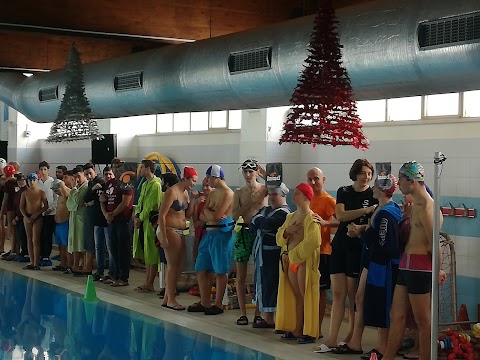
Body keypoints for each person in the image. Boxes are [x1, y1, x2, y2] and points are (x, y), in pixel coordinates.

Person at [333, 174, 402, 358]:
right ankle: (355, 342)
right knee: (360, 299)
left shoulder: (389, 213)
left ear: (383, 190)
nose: (372, 188)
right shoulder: (379, 208)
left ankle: (382, 347)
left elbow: (383, 244)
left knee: (382, 303)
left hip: (381, 265)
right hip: (370, 261)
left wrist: (361, 234)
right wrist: (362, 231)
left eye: (376, 186)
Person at [383, 161, 444, 360]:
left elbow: (435, 243)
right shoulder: (415, 205)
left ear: (411, 180)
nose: (398, 183)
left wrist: (438, 270)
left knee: (423, 321)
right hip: (406, 264)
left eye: (400, 179)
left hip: (419, 268)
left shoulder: (427, 207)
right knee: (397, 316)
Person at [316, 158, 378, 353]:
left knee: (353, 296)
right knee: (337, 294)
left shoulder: (373, 194)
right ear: (355, 174)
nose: (366, 177)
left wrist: (359, 227)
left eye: (369, 173)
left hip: (357, 247)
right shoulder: (344, 191)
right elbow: (340, 216)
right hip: (341, 245)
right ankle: (332, 338)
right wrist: (366, 210)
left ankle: (351, 337)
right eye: (363, 173)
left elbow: (372, 224)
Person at [276, 183, 321, 344]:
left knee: (305, 296)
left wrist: (295, 255)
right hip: (291, 261)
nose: (293, 196)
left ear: (305, 197)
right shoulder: (291, 217)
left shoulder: (311, 217)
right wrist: (287, 232)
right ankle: (296, 329)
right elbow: (280, 235)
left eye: (296, 193)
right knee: (296, 296)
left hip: (302, 262)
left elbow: (314, 240)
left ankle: (307, 331)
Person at [188, 165, 234, 315]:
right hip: (209, 234)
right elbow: (202, 215)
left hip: (222, 235)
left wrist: (209, 213)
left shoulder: (228, 194)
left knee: (220, 271)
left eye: (208, 178)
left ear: (215, 177)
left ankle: (219, 304)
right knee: (200, 268)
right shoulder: (213, 194)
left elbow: (214, 216)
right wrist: (210, 213)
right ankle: (205, 302)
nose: (207, 181)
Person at [249, 183, 290, 328]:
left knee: (272, 284)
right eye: (270, 195)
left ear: (283, 195)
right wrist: (260, 222)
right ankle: (266, 317)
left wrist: (259, 222)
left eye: (275, 195)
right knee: (263, 284)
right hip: (263, 254)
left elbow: (266, 224)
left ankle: (271, 318)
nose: (272, 198)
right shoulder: (266, 210)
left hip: (273, 255)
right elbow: (252, 224)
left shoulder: (284, 213)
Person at [232, 159, 267, 325]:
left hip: (259, 233)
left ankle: (258, 313)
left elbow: (281, 187)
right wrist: (250, 202)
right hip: (243, 232)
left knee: (259, 274)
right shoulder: (238, 192)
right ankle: (243, 313)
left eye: (250, 171)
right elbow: (234, 215)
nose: (247, 175)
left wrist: (266, 175)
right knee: (241, 275)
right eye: (245, 172)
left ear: (256, 172)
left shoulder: (264, 189)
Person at [157, 166, 197, 310]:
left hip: (181, 231)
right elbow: (162, 214)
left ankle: (167, 298)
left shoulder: (185, 193)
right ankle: (171, 299)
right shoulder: (171, 192)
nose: (194, 184)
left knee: (179, 267)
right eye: (193, 181)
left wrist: (192, 200)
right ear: (185, 178)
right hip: (169, 229)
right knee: (173, 266)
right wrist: (163, 235)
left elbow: (187, 215)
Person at [307, 167, 338, 338]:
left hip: (323, 251)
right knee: (307, 290)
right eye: (310, 179)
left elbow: (341, 222)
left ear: (323, 179)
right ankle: (307, 325)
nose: (313, 182)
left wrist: (326, 223)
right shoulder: (308, 199)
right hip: (307, 252)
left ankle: (317, 329)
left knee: (320, 291)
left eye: (316, 179)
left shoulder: (329, 200)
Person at [101, 161, 134, 287]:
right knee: (113, 249)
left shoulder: (126, 181)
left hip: (122, 220)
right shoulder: (110, 183)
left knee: (123, 250)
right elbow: (102, 200)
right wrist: (106, 214)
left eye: (119, 167)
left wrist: (112, 214)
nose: (117, 169)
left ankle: (123, 277)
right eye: (115, 167)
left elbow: (126, 202)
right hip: (111, 220)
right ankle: (114, 274)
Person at [133, 159, 163, 293]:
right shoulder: (145, 184)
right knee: (146, 253)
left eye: (142, 168)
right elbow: (140, 203)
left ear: (148, 169)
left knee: (151, 253)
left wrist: (140, 218)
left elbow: (151, 206)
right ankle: (146, 282)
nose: (140, 170)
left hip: (150, 223)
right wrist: (136, 215)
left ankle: (150, 283)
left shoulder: (156, 185)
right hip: (143, 222)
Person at [83, 163, 108, 281]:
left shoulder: (102, 182)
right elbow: (86, 198)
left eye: (90, 173)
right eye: (86, 174)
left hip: (105, 219)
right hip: (96, 219)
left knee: (107, 247)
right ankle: (99, 271)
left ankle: (110, 272)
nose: (88, 176)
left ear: (95, 171)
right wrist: (92, 189)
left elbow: (103, 200)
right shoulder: (91, 184)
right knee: (98, 247)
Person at [20, 173, 48, 270]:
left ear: (37, 181)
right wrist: (26, 217)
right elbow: (21, 207)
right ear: (27, 181)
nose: (32, 182)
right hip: (27, 217)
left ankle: (36, 263)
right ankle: (31, 262)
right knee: (29, 239)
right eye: (30, 180)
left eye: (33, 180)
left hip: (37, 218)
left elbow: (46, 206)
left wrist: (37, 213)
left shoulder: (41, 192)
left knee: (35, 240)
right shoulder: (25, 193)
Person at [66, 166, 89, 274]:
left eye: (78, 177)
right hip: (74, 217)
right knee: (75, 242)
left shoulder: (85, 187)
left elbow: (78, 200)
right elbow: (69, 204)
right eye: (74, 178)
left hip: (82, 219)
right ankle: (75, 265)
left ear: (84, 175)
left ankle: (83, 265)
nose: (77, 180)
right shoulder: (78, 188)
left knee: (82, 244)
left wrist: (74, 189)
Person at [37, 161, 58, 267]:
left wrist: (51, 208)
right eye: (41, 169)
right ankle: (40, 255)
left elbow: (56, 198)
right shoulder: (37, 182)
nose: (43, 171)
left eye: (45, 169)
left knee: (47, 235)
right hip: (40, 213)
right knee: (40, 234)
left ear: (48, 170)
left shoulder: (52, 182)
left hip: (50, 213)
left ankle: (46, 255)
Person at [192, 177, 213, 261]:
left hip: (211, 234)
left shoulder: (217, 199)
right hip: (199, 233)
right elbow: (195, 223)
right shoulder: (200, 199)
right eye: (203, 185)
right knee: (197, 257)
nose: (205, 188)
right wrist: (197, 204)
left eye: (207, 186)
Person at [1, 164, 18, 261]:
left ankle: (13, 251)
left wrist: (1, 211)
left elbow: (5, 199)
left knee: (11, 230)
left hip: (11, 208)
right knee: (15, 231)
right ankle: (14, 250)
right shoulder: (17, 181)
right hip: (18, 208)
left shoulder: (7, 184)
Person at [12, 173, 29, 262]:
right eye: (18, 180)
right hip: (18, 217)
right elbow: (16, 205)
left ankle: (26, 253)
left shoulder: (26, 191)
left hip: (23, 217)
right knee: (21, 236)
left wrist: (18, 217)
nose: (20, 182)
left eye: (22, 180)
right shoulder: (19, 191)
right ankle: (23, 252)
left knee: (24, 236)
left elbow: (25, 206)